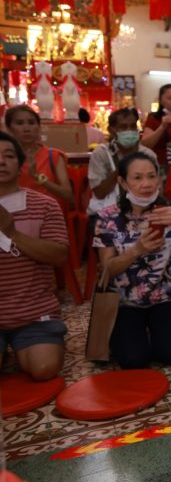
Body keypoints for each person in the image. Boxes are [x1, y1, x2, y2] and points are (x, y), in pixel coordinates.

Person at [93, 152, 171, 369]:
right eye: (137, 178)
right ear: (123, 182)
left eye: (152, 176)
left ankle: (154, 329)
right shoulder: (108, 217)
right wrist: (137, 250)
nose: (147, 184)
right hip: (123, 301)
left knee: (170, 354)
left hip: (165, 297)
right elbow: (107, 270)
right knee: (133, 360)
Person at [0, 131, 69, 381]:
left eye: (9, 156)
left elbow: (59, 255)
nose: (1, 162)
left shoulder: (44, 204)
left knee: (44, 369)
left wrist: (11, 233)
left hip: (34, 312)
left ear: (21, 164)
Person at [87, 108, 157, 216]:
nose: (129, 131)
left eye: (133, 126)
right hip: (107, 213)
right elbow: (99, 193)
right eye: (123, 127)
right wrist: (127, 161)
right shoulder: (102, 153)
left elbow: (155, 190)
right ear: (111, 130)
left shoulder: (148, 154)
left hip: (142, 211)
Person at [4, 105, 72, 208]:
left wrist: (38, 178)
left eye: (31, 123)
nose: (26, 129)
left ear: (39, 127)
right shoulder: (3, 157)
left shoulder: (53, 155)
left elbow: (68, 195)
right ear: (9, 128)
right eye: (19, 123)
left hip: (48, 213)